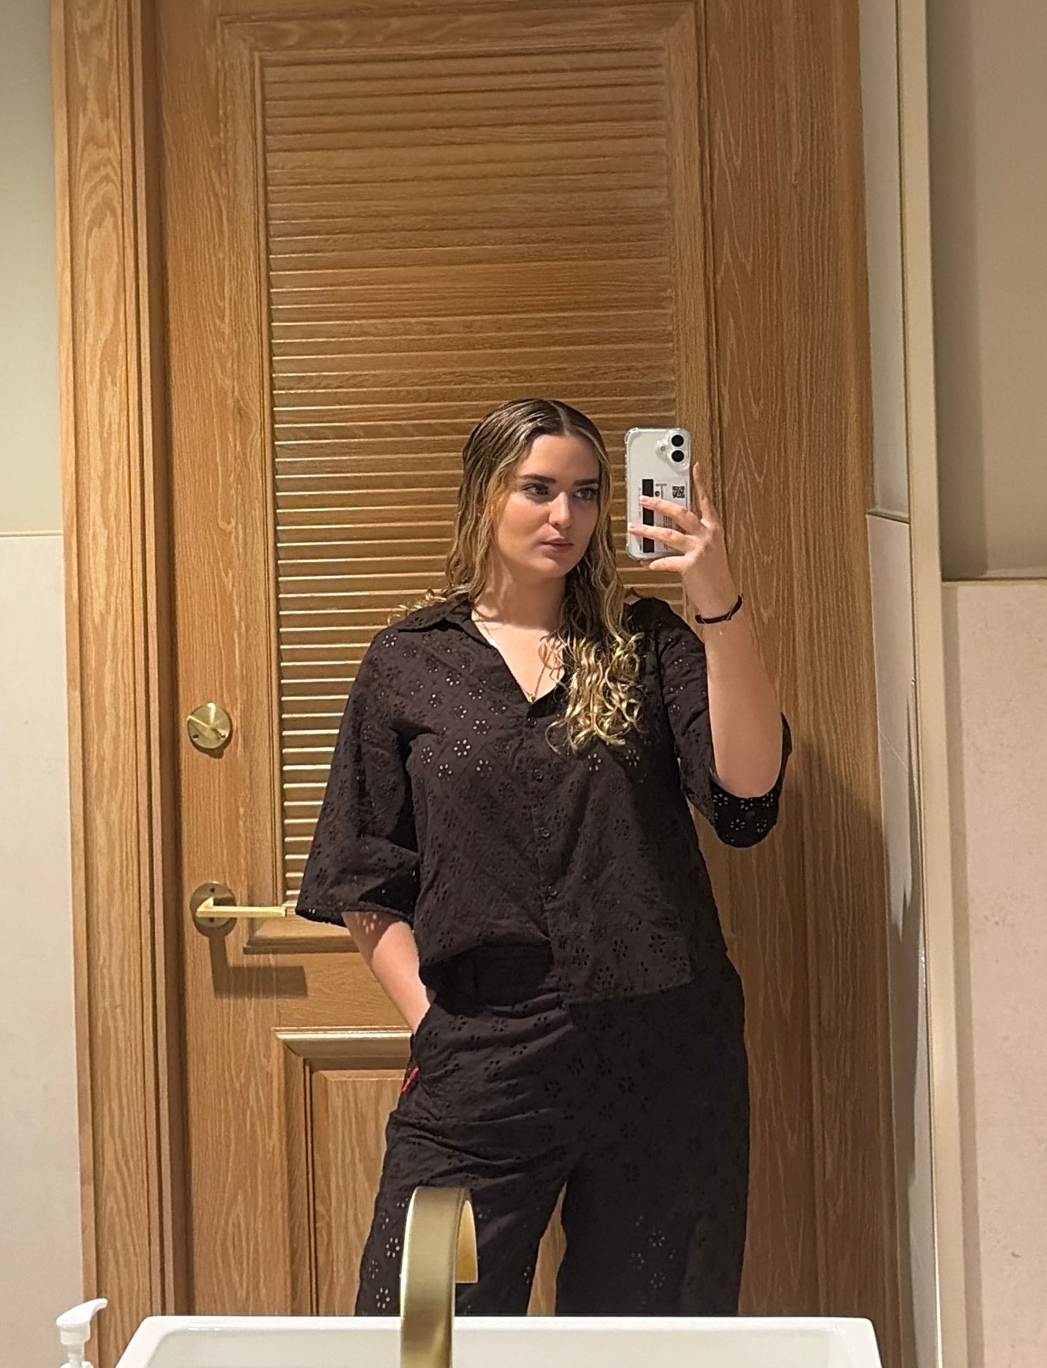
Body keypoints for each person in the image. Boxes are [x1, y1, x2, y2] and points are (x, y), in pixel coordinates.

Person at [296, 397, 791, 1316]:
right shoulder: (407, 662)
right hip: (480, 1056)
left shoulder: (646, 644)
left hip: (664, 1055)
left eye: (587, 493)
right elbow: (363, 878)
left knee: (643, 1354)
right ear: (485, 495)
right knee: (424, 1333)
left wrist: (716, 601)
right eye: (537, 489)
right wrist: (431, 1023)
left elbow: (748, 793)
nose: (565, 515)